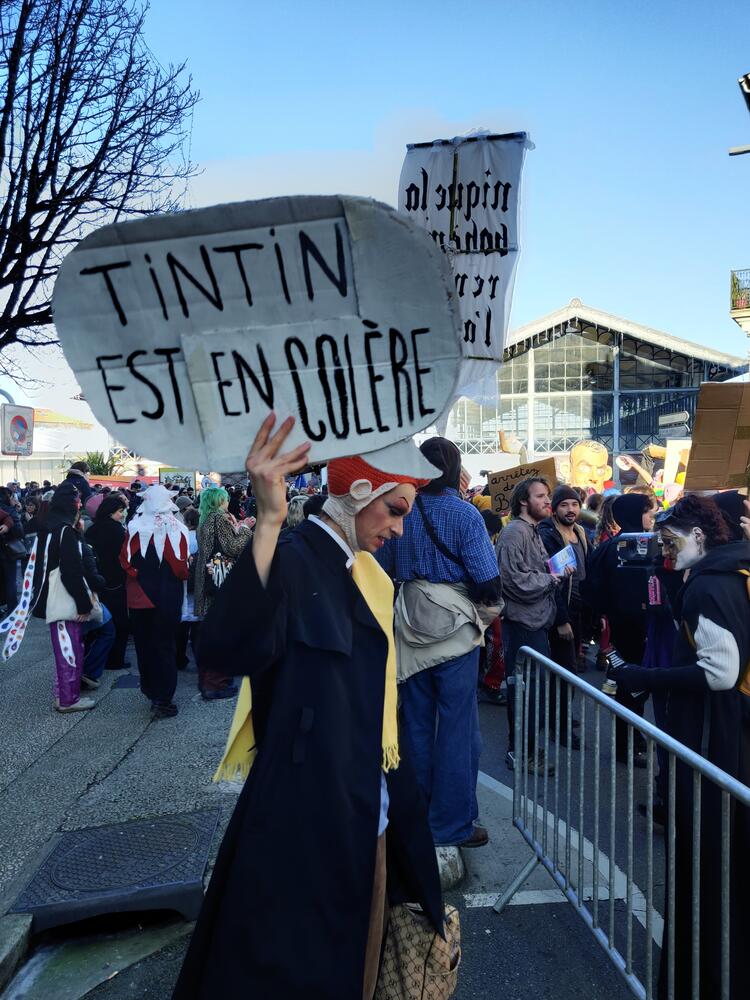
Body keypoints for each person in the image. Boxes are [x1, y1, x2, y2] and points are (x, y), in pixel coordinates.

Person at [172, 416, 443, 1000]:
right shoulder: (295, 556)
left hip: (362, 809)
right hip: (306, 818)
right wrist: (268, 520)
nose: (399, 528)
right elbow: (224, 647)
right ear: (358, 493)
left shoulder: (360, 570)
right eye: (395, 510)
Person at [609, 495, 750, 1000]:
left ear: (701, 536)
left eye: (671, 541)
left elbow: (720, 672)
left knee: (707, 864)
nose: (665, 551)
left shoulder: (709, 586)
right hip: (728, 737)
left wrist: (642, 675)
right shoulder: (729, 574)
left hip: (713, 741)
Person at [377, 437, 502, 849]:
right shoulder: (466, 514)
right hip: (455, 632)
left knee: (413, 726)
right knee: (457, 729)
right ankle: (452, 825)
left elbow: (383, 568)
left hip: (410, 626)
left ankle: (413, 819)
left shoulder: (402, 510)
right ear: (455, 468)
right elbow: (487, 581)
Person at [497, 477, 569, 773]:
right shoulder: (515, 532)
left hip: (537, 621)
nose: (547, 501)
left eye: (547, 495)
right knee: (525, 690)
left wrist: (557, 568)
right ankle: (520, 753)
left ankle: (525, 748)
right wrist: (550, 578)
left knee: (534, 691)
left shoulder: (532, 530)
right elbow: (511, 579)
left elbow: (531, 570)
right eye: (541, 496)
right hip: (523, 624)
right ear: (524, 501)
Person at [584, 492, 658, 765]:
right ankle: (627, 745)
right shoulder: (619, 547)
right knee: (631, 686)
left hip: (630, 627)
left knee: (634, 685)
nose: (652, 516)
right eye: (648, 511)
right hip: (630, 630)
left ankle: (634, 738)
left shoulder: (615, 546)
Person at [28, 481, 107, 712]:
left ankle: (63, 694)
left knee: (68, 648)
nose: (81, 504)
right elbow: (71, 570)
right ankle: (67, 699)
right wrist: (84, 604)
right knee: (69, 650)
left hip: (55, 597)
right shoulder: (65, 530)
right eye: (77, 500)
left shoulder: (51, 527)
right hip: (64, 599)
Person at [120, 485, 189, 718]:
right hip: (168, 595)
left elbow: (125, 561)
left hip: (140, 596)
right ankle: (163, 698)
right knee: (165, 645)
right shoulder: (178, 528)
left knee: (144, 645)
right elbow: (181, 568)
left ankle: (149, 689)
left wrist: (139, 573)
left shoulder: (134, 527)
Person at [193, 486, 252, 699]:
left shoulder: (204, 519)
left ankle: (210, 680)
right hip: (221, 580)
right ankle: (216, 683)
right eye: (225, 499)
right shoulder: (219, 518)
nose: (227, 502)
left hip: (207, 579)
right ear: (220, 500)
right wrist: (244, 528)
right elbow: (233, 547)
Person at [85, 493, 130, 670]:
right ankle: (115, 659)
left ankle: (98, 658)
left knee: (100, 622)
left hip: (96, 582)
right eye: (120, 511)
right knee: (120, 622)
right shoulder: (118, 531)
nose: (123, 514)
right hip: (116, 582)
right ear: (111, 512)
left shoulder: (92, 530)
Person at [177, 505, 201, 671]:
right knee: (198, 625)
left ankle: (179, 657)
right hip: (198, 584)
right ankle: (199, 657)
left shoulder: (181, 536)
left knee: (182, 624)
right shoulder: (201, 537)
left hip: (184, 583)